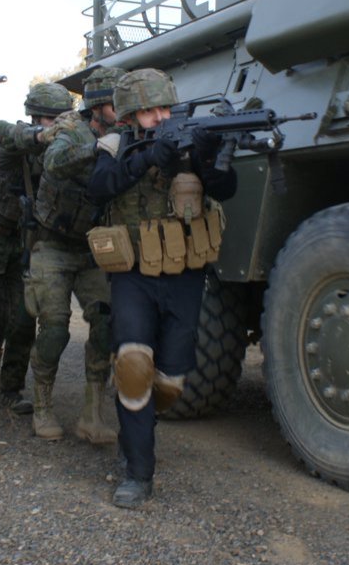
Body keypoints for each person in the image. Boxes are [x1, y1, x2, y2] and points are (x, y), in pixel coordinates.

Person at [87, 68, 237, 508]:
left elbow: (226, 189)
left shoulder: (192, 142)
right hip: (132, 273)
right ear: (132, 114)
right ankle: (138, 471)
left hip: (185, 273)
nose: (162, 116)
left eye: (166, 108)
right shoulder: (114, 145)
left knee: (169, 383)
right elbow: (99, 188)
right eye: (151, 110)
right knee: (134, 366)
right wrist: (150, 156)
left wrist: (208, 159)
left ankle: (137, 420)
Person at [0, 83, 74, 415]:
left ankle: (11, 388)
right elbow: (17, 138)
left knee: (23, 321)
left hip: (25, 242)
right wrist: (43, 136)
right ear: (36, 117)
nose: (56, 125)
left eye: (61, 119)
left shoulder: (59, 149)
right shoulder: (15, 142)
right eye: (52, 119)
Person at [25, 67, 127, 442]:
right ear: (99, 105)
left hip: (92, 248)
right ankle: (41, 405)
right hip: (52, 244)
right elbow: (54, 160)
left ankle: (91, 414)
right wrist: (98, 148)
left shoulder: (127, 130)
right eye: (117, 103)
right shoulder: (71, 126)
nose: (124, 110)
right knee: (54, 327)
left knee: (105, 322)